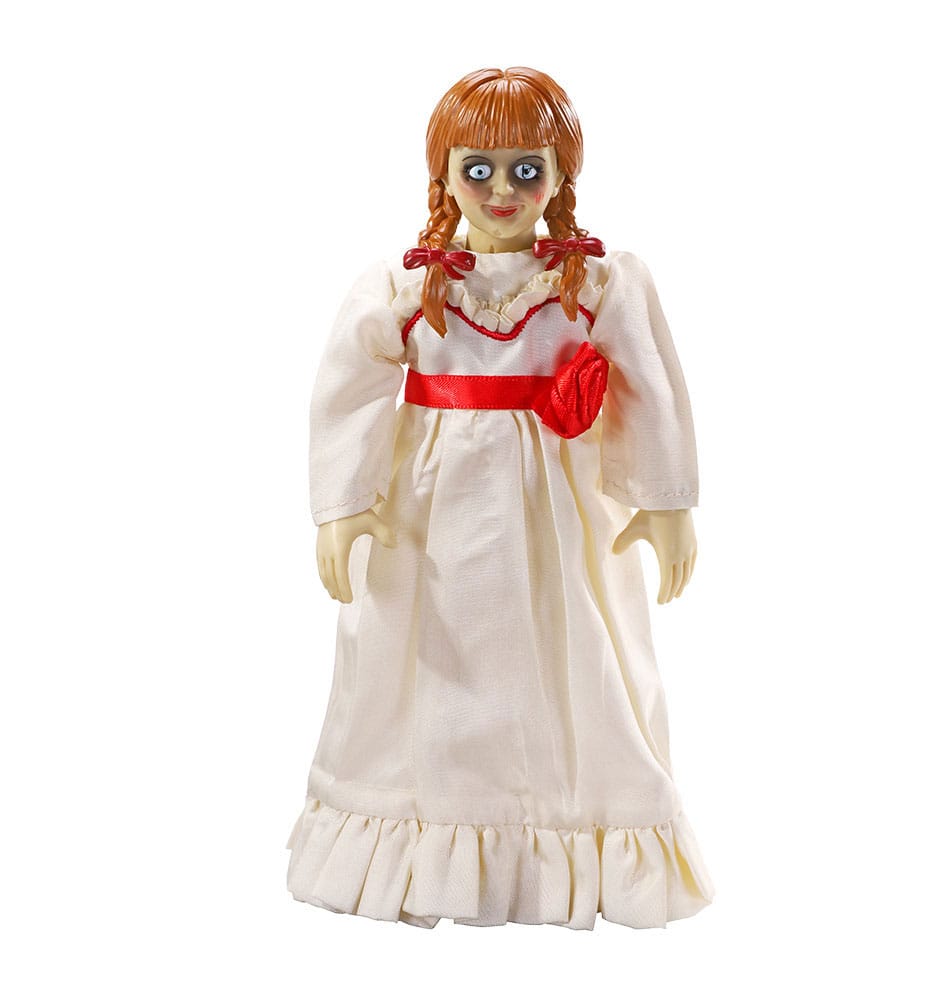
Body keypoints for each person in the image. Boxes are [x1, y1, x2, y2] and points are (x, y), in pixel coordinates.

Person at [285, 67, 715, 930]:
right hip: (432, 512)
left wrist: (664, 499)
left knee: (573, 651)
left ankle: (569, 820)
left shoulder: (591, 286)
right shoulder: (408, 286)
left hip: (560, 510)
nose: (503, 190)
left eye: (528, 168)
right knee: (424, 664)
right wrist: (344, 502)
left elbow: (648, 384)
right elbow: (349, 385)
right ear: (444, 175)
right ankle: (425, 834)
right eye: (477, 169)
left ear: (559, 177)